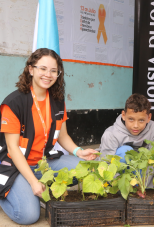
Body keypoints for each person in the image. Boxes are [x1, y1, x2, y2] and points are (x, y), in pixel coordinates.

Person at [0, 48, 98, 225]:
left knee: (87, 167)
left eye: (54, 71)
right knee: (28, 215)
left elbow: (63, 135)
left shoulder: (57, 99)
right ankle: (6, 192)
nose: (48, 75)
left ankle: (35, 187)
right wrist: (32, 181)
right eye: (43, 69)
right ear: (31, 69)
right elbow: (13, 149)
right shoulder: (14, 103)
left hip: (43, 162)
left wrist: (78, 151)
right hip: (15, 165)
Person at [97, 93, 154, 162]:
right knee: (125, 151)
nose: (135, 126)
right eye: (131, 119)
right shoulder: (111, 134)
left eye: (141, 120)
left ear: (149, 118)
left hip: (142, 170)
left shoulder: (153, 128)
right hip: (119, 170)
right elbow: (106, 163)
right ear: (123, 115)